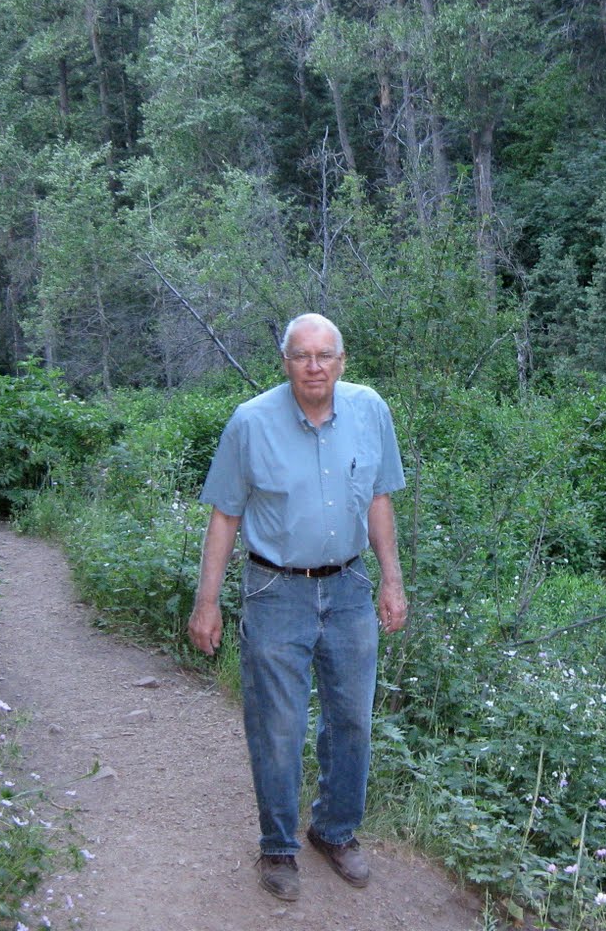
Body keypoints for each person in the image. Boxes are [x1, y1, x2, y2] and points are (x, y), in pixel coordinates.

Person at [186, 313, 408, 902]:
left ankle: (335, 831)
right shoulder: (251, 422)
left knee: (353, 720)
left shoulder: (370, 411)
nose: (315, 367)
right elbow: (226, 515)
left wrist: (393, 581)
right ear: (285, 362)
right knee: (279, 727)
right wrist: (205, 603)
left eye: (325, 356)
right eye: (302, 356)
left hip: (349, 590)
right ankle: (278, 846)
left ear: (342, 360)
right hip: (274, 591)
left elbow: (380, 499)